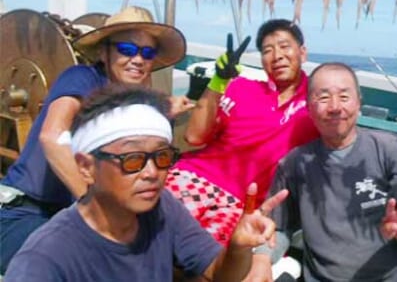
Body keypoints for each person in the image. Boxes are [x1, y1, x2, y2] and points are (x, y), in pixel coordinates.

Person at [3, 84, 286, 282]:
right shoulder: (45, 258)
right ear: (87, 167)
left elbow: (217, 272)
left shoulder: (162, 209)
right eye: (132, 159)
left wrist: (238, 248)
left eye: (162, 157)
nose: (152, 172)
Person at [0, 6, 194, 273]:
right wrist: (94, 204)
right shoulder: (81, 78)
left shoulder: (133, 102)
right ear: (104, 52)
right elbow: (52, 135)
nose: (137, 59)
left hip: (73, 215)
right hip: (28, 211)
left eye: (147, 53)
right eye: (127, 49)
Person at [252, 62, 397, 282]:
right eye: (324, 98)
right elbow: (279, 230)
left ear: (359, 103)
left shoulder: (392, 149)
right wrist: (261, 257)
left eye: (344, 97)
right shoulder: (294, 164)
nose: (335, 107)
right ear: (309, 107)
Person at [166, 19, 319, 247]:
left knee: (206, 262)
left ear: (303, 53)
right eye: (267, 50)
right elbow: (194, 137)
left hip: (240, 206)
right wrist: (218, 80)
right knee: (151, 235)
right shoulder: (241, 87)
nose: (277, 55)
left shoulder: (317, 102)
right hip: (196, 177)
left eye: (285, 46)